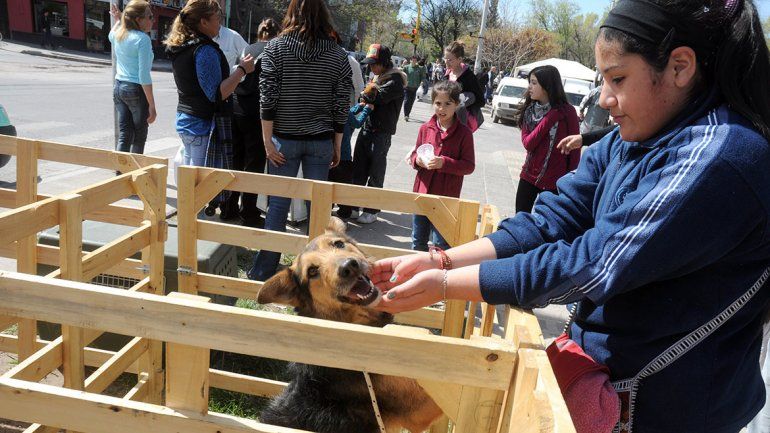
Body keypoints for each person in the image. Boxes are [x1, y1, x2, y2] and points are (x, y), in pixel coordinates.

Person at [370, 1, 770, 432]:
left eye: (618, 79)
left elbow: (593, 263)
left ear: (680, 66)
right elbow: (552, 219)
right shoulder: (636, 135)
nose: (604, 99)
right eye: (603, 80)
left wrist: (448, 286)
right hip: (609, 387)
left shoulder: (720, 155)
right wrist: (442, 261)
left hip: (668, 409)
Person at [247, 0, 353, 281]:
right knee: (318, 210)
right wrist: (338, 142)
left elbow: (267, 97)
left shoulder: (276, 48)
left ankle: (263, 270)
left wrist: (267, 139)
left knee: (277, 206)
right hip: (320, 141)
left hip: (284, 138)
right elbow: (342, 103)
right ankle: (318, 273)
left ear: (291, 13)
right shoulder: (337, 54)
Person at [165, 0, 254, 168]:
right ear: (203, 22)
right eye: (217, 18)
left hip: (188, 120)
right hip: (201, 125)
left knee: (190, 179)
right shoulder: (204, 49)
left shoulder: (182, 46)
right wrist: (242, 70)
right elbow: (216, 94)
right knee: (199, 183)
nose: (219, 23)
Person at [223, 17, 280, 227]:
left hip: (236, 107)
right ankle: (248, 212)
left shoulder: (248, 48)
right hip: (255, 112)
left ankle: (228, 207)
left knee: (235, 160)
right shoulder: (275, 51)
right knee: (254, 163)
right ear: (278, 34)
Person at [342, 44, 405, 224]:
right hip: (367, 128)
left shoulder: (395, 80)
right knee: (358, 168)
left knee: (376, 171)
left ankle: (372, 209)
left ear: (384, 62)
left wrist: (366, 93)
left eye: (374, 64)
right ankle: (353, 206)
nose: (371, 67)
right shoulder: (379, 77)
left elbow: (371, 96)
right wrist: (366, 93)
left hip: (381, 133)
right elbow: (366, 95)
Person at [408, 80, 474, 251]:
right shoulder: (425, 128)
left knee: (441, 243)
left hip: (446, 197)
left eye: (447, 104)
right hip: (422, 192)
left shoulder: (464, 134)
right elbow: (416, 153)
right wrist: (417, 160)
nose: (441, 109)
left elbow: (469, 166)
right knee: (417, 239)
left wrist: (444, 162)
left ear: (457, 105)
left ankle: (440, 276)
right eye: (437, 103)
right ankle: (415, 273)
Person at [515, 65, 580, 213]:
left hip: (556, 182)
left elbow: (574, 150)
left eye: (534, 83)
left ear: (546, 85)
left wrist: (570, 182)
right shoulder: (530, 110)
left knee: (548, 226)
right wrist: (550, 118)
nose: (529, 87)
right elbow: (528, 144)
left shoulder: (568, 111)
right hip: (529, 176)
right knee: (519, 220)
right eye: (529, 82)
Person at [108, 0, 156, 155]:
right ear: (138, 20)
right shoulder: (142, 39)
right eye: (149, 16)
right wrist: (152, 105)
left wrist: (118, 20)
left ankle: (120, 174)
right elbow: (143, 75)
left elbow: (110, 34)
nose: (152, 20)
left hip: (119, 87)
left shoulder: (118, 34)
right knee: (139, 136)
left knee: (125, 135)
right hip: (135, 89)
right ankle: (134, 176)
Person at [328, 36, 367, 220]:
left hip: (328, 148)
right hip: (343, 156)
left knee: (327, 180)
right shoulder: (350, 61)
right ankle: (344, 210)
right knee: (344, 183)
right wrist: (365, 109)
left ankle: (327, 208)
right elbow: (359, 92)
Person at [443, 41, 484, 132]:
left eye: (450, 60)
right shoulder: (446, 75)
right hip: (445, 120)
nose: (446, 62)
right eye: (445, 58)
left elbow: (480, 100)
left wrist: (464, 101)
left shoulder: (468, 76)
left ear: (459, 59)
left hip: (462, 124)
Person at [401, 55, 426, 121]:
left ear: (417, 61)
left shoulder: (419, 68)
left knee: (411, 102)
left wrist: (422, 82)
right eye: (413, 60)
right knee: (406, 101)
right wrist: (402, 65)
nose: (414, 61)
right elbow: (400, 73)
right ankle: (406, 115)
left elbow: (423, 77)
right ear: (410, 60)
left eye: (415, 60)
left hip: (415, 88)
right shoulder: (406, 67)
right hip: (407, 87)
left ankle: (408, 114)